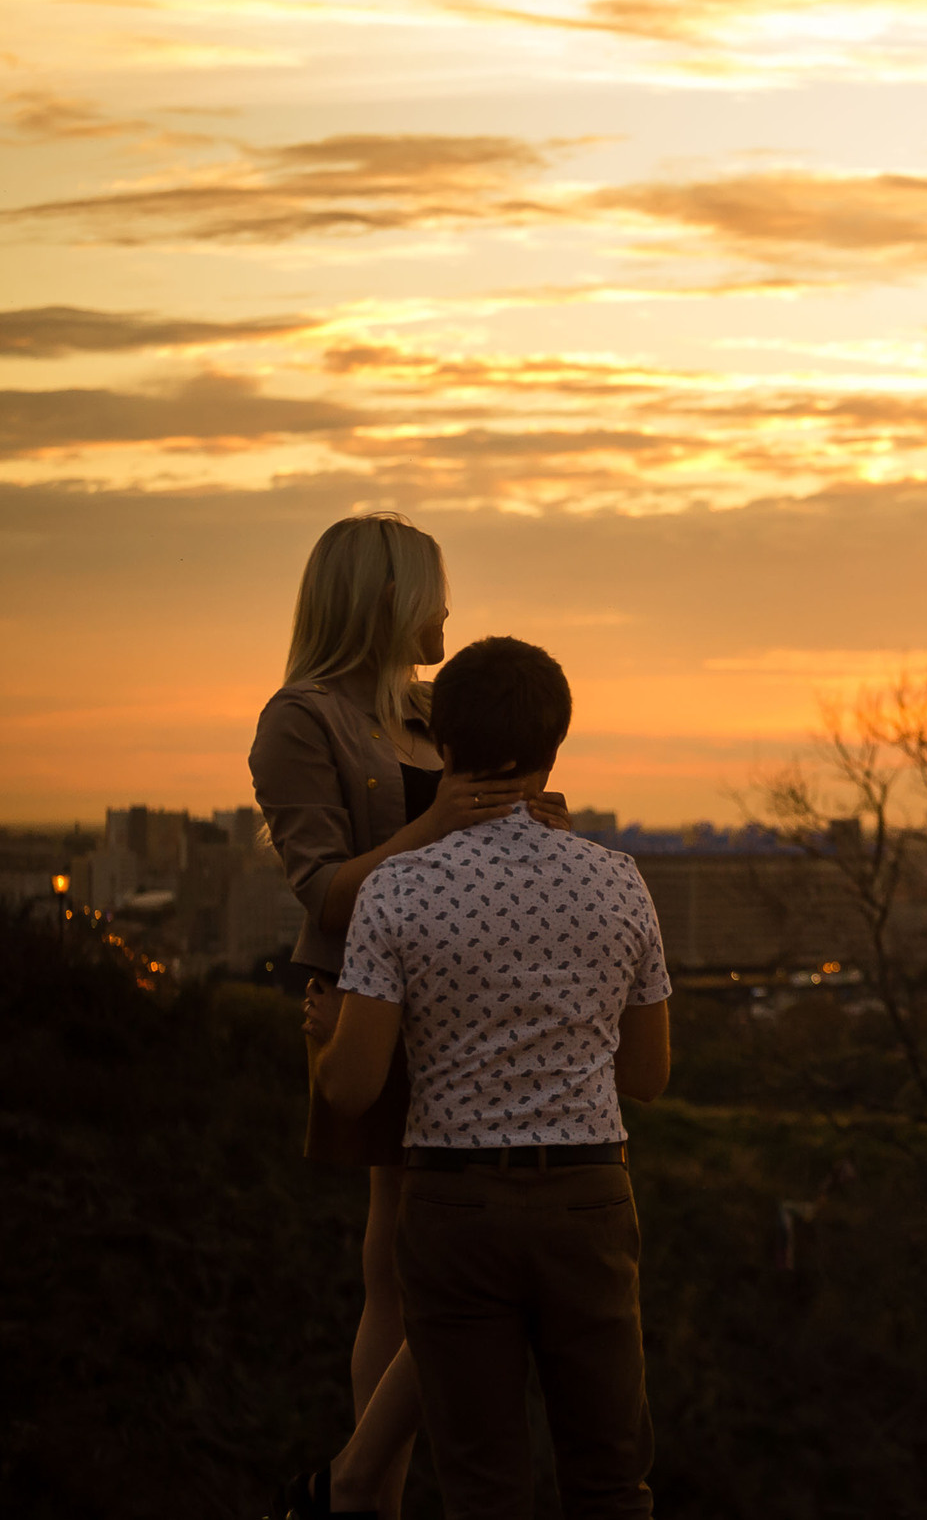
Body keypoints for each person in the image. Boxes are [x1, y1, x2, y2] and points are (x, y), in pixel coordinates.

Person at [308, 635, 671, 1519]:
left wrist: (324, 1036)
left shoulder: (397, 890)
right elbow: (650, 1075)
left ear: (443, 744)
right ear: (554, 746)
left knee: (482, 1488)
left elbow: (351, 1090)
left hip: (455, 1206)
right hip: (588, 1198)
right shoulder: (620, 883)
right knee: (610, 1481)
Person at [250, 514, 567, 1518]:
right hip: (379, 1005)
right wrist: (433, 825)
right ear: (385, 599)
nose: (446, 612)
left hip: (481, 1000)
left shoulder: (438, 707)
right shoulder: (301, 721)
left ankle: (352, 1488)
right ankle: (367, 1495)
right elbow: (322, 891)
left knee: (443, 1255)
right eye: (432, 591)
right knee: (402, 1254)